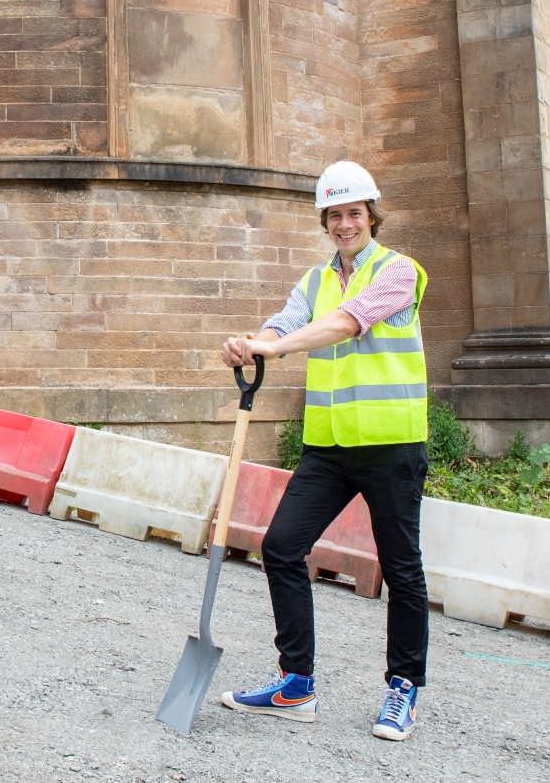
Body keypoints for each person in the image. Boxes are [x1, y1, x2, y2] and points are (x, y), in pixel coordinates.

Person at [219, 160, 429, 742]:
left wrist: (274, 347)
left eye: (353, 214)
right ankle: (296, 683)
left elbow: (344, 325)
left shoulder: (400, 273)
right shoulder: (314, 281)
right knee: (282, 548)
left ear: (371, 217)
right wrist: (249, 344)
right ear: (325, 220)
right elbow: (284, 324)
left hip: (391, 444)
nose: (344, 224)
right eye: (334, 215)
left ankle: (402, 689)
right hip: (329, 447)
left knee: (402, 570)